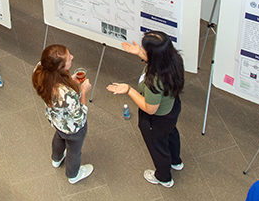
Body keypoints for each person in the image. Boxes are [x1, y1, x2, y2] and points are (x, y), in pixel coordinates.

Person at [106, 31, 184, 187]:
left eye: (144, 49)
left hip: (157, 119)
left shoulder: (154, 81)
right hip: (172, 108)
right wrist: (139, 53)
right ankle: (176, 161)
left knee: (157, 145)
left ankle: (164, 177)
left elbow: (150, 109)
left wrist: (129, 90)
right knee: (171, 133)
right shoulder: (174, 60)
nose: (141, 50)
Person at [31, 44, 93, 184]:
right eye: (68, 58)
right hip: (72, 128)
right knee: (74, 151)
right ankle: (73, 175)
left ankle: (56, 159)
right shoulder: (67, 95)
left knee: (59, 137)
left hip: (56, 120)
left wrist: (70, 79)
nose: (72, 57)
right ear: (60, 68)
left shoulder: (40, 69)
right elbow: (80, 116)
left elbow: (55, 84)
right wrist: (83, 91)